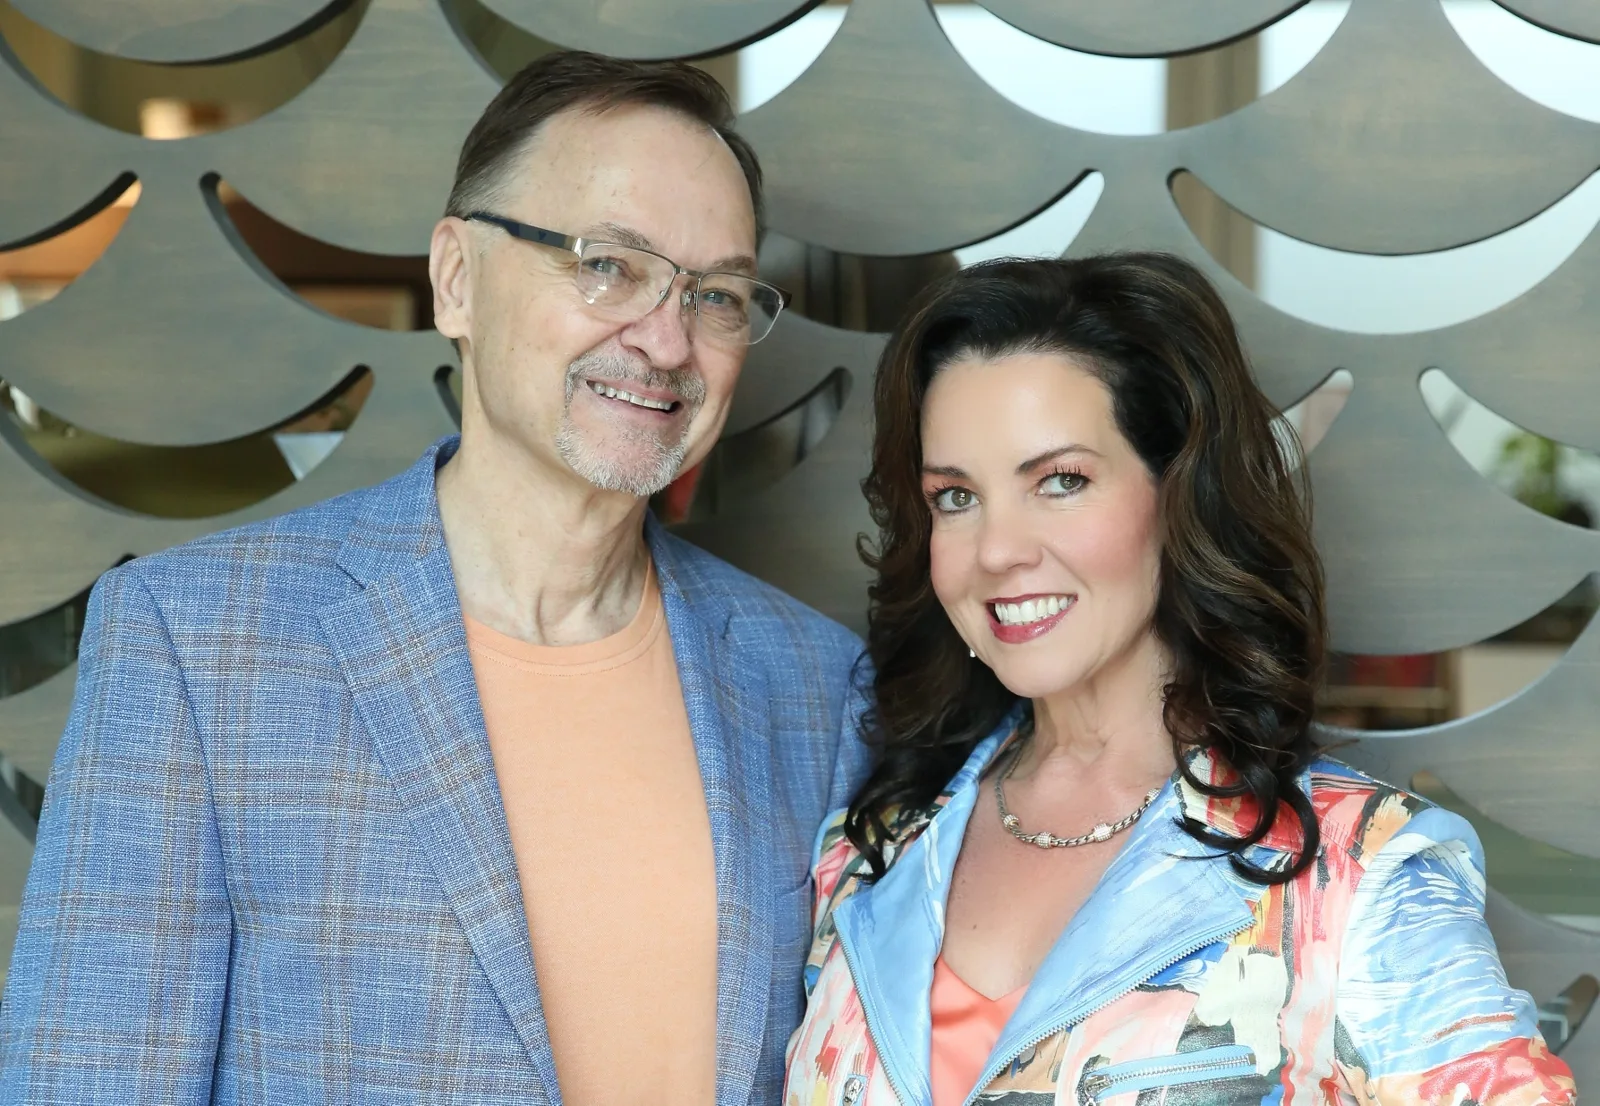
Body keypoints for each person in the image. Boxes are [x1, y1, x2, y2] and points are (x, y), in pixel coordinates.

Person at [1, 52, 869, 1105]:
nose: (666, 339)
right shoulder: (196, 642)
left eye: (716, 294)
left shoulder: (813, 681)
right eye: (607, 265)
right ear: (456, 277)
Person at [784, 255, 1578, 1105]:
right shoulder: (870, 853)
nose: (998, 550)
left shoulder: (1356, 874)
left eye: (1060, 481)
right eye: (954, 497)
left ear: (1179, 495)